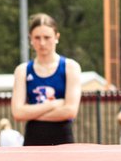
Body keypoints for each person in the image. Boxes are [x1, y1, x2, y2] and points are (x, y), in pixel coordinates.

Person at [11, 13, 82, 145]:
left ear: (57, 37)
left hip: (62, 139)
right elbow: (17, 113)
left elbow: (70, 111)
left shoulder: (70, 67)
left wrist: (31, 113)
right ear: (30, 39)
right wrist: (54, 104)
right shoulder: (22, 70)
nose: (42, 43)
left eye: (47, 37)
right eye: (37, 38)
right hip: (33, 139)